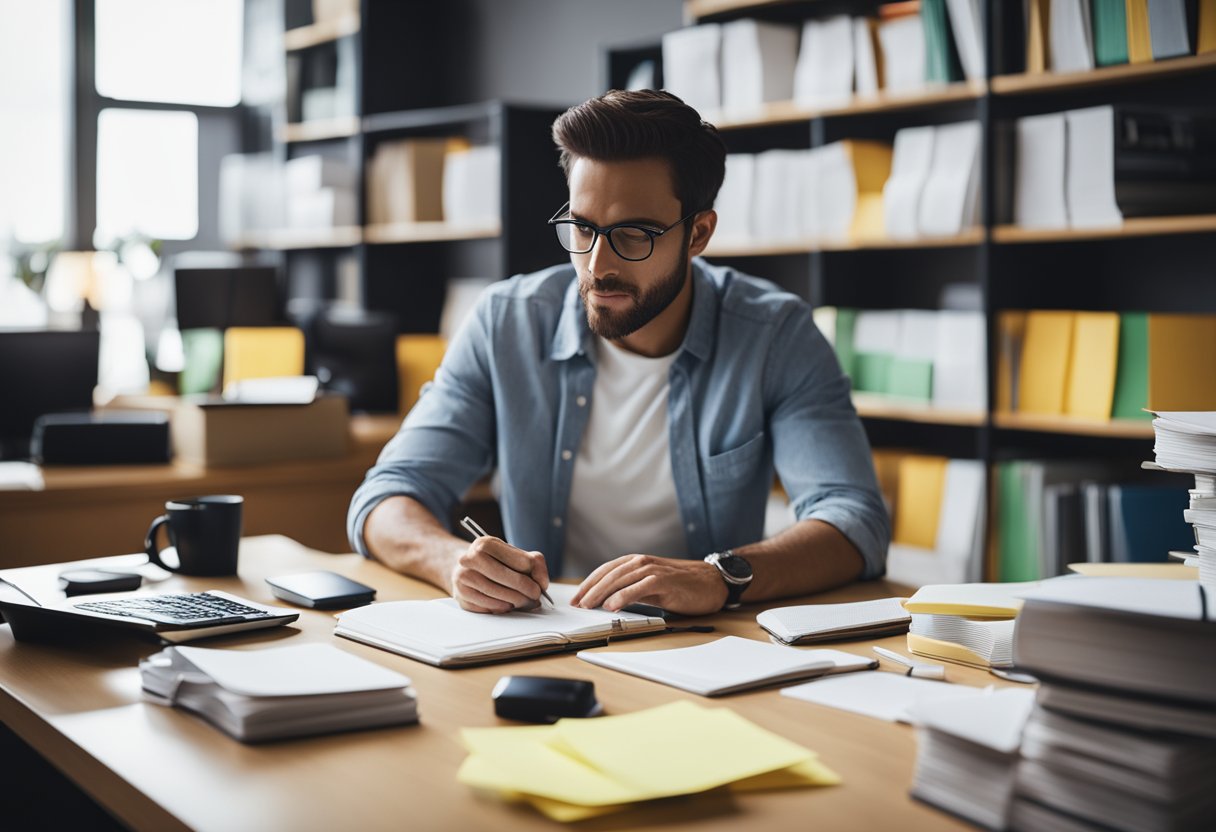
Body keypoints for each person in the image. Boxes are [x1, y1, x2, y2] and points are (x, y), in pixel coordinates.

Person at [347, 89, 890, 616]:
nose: (597, 264)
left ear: (698, 233)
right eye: (582, 227)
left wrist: (720, 576)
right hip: (546, 634)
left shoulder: (775, 335)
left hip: (706, 647)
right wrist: (452, 563)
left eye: (633, 234)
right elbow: (388, 496)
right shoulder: (505, 323)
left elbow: (853, 520)